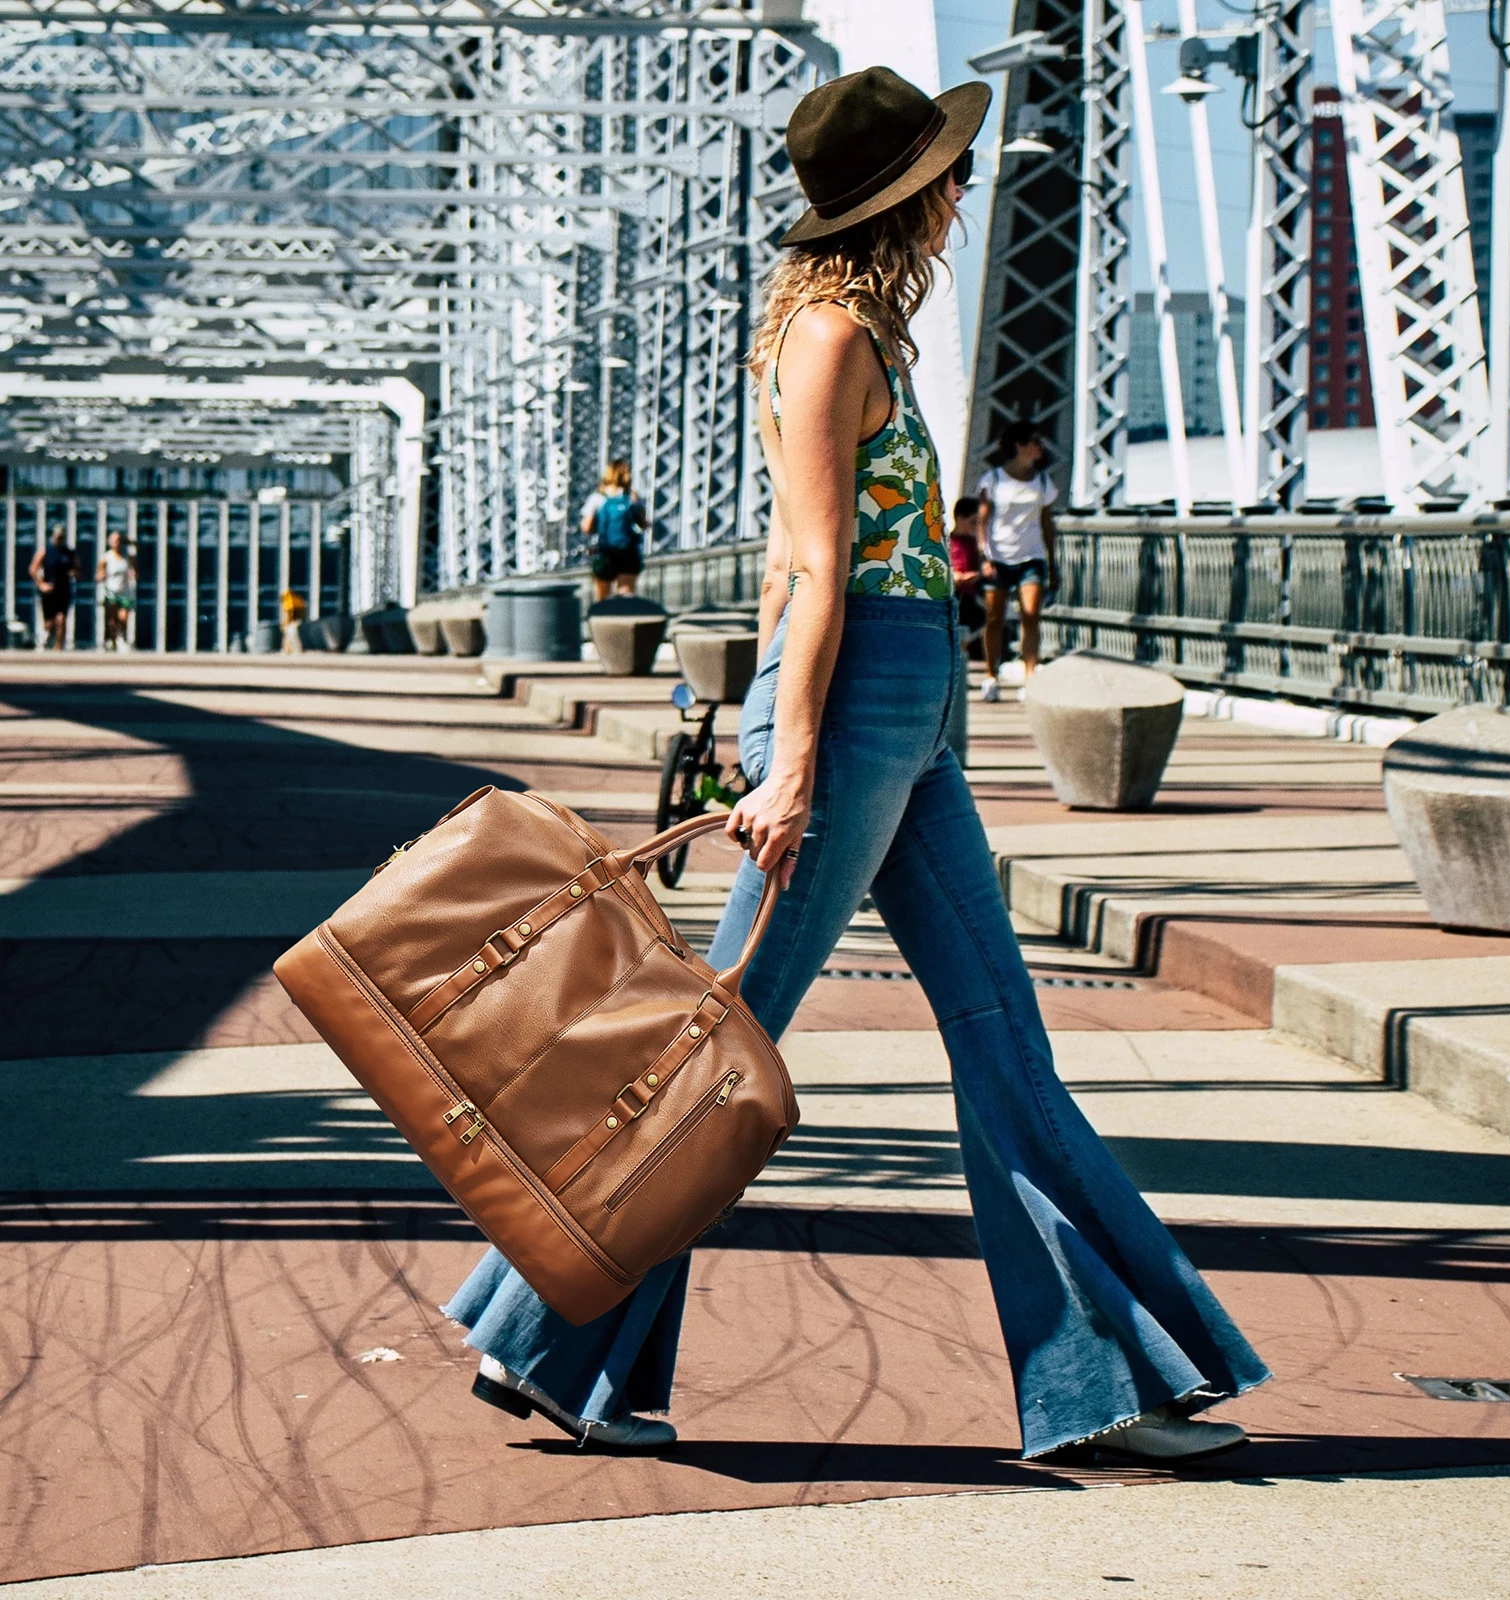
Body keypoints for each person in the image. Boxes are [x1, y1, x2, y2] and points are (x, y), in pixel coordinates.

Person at [444, 66, 1268, 1464]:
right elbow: (816, 568)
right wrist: (787, 759)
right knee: (717, 1045)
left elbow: (804, 565)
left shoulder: (856, 328)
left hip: (906, 709)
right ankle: (543, 1337)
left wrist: (815, 720)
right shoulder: (831, 338)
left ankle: (1101, 1389)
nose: (961, 193)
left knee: (1002, 1042)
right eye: (946, 175)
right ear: (905, 197)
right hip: (855, 714)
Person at [975, 421, 1058, 702]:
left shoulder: (1044, 482)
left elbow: (1047, 524)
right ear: (1020, 446)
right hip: (998, 559)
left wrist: (1053, 561)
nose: (1040, 447)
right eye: (1035, 441)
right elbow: (982, 521)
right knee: (994, 618)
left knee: (1031, 615)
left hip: (1031, 557)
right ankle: (990, 675)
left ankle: (1030, 675)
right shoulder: (993, 480)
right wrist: (984, 555)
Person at [580, 459, 649, 600]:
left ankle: (602, 619)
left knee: (602, 596)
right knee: (626, 593)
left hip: (605, 551)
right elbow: (642, 524)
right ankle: (624, 620)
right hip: (628, 552)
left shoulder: (597, 498)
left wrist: (599, 528)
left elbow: (586, 527)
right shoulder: (632, 497)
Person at [947, 494, 986, 648]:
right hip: (955, 593)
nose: (975, 527)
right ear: (960, 518)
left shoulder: (972, 543)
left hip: (970, 595)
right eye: (973, 522)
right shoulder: (948, 542)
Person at [29, 525, 77, 650]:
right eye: (57, 537)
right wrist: (41, 584)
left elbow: (78, 569)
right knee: (49, 622)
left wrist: (74, 573)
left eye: (61, 537)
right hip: (49, 591)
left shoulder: (69, 553)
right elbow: (33, 569)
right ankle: (43, 641)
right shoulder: (46, 551)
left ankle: (58, 647)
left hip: (64, 590)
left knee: (61, 619)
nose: (59, 540)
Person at [97, 530, 137, 652]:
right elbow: (98, 574)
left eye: (119, 540)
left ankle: (122, 638)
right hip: (111, 592)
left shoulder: (127, 557)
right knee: (112, 620)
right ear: (110, 542)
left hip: (124, 592)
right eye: (114, 541)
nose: (117, 543)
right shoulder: (106, 557)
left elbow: (134, 570)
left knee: (123, 617)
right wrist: (101, 576)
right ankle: (112, 641)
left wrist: (133, 573)